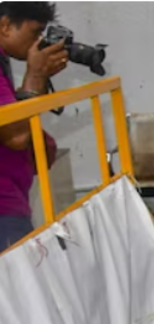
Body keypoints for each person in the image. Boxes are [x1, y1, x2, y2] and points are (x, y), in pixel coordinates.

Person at [0, 1, 67, 250]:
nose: (38, 41)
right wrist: (36, 75)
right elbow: (16, 135)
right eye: (34, 32)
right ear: (6, 25)